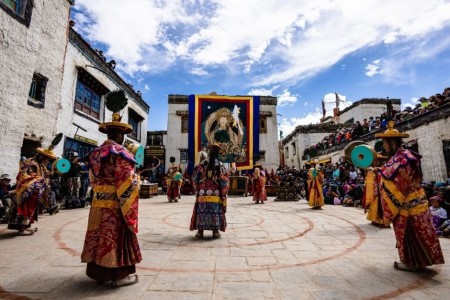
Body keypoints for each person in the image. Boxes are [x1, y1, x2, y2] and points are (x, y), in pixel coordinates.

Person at [81, 97, 141, 287]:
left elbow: (92, 179)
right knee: (115, 236)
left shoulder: (95, 154)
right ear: (121, 135)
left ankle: (98, 273)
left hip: (98, 204)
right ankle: (117, 276)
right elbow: (126, 181)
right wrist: (137, 181)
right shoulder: (120, 153)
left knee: (98, 234)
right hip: (115, 205)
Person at [373, 121, 444, 272]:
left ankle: (411, 262)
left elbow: (398, 182)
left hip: (408, 204)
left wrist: (379, 175)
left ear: (392, 142)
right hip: (417, 201)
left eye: (385, 143)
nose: (384, 147)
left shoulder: (402, 159)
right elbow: (387, 171)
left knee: (410, 233)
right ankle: (420, 261)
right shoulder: (402, 156)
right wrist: (380, 171)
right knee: (420, 233)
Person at [8, 137, 60, 235]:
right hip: (25, 190)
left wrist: (53, 173)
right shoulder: (30, 162)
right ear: (41, 157)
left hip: (34, 190)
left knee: (31, 209)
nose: (47, 161)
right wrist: (41, 179)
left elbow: (45, 174)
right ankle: (21, 228)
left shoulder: (40, 164)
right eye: (46, 159)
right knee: (24, 209)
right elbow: (25, 175)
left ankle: (25, 226)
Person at [190, 145, 229, 239]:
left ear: (209, 152)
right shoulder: (220, 165)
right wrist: (223, 193)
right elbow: (224, 181)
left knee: (201, 212)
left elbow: (194, 178)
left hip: (202, 194)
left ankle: (200, 232)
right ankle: (215, 232)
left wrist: (198, 189)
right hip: (215, 193)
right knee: (215, 211)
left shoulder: (201, 165)